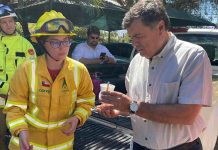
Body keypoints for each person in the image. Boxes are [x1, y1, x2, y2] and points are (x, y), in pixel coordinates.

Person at [96, 0, 212, 150]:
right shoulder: (136, 61)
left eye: (138, 36)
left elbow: (187, 115)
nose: (134, 43)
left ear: (160, 27)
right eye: (131, 38)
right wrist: (118, 109)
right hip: (139, 145)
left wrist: (132, 107)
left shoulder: (193, 56)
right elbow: (133, 104)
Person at [4, 10, 95, 150]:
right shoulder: (26, 70)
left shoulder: (79, 70)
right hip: (26, 145)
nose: (63, 47)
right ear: (42, 42)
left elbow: (86, 101)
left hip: (62, 145)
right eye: (55, 42)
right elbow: (14, 107)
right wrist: (21, 131)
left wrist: (77, 117)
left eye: (66, 41)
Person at [0, 4, 36, 149]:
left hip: (20, 97)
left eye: (10, 21)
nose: (8, 25)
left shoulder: (25, 45)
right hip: (0, 97)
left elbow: (33, 72)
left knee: (23, 133)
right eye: (3, 22)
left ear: (15, 22)